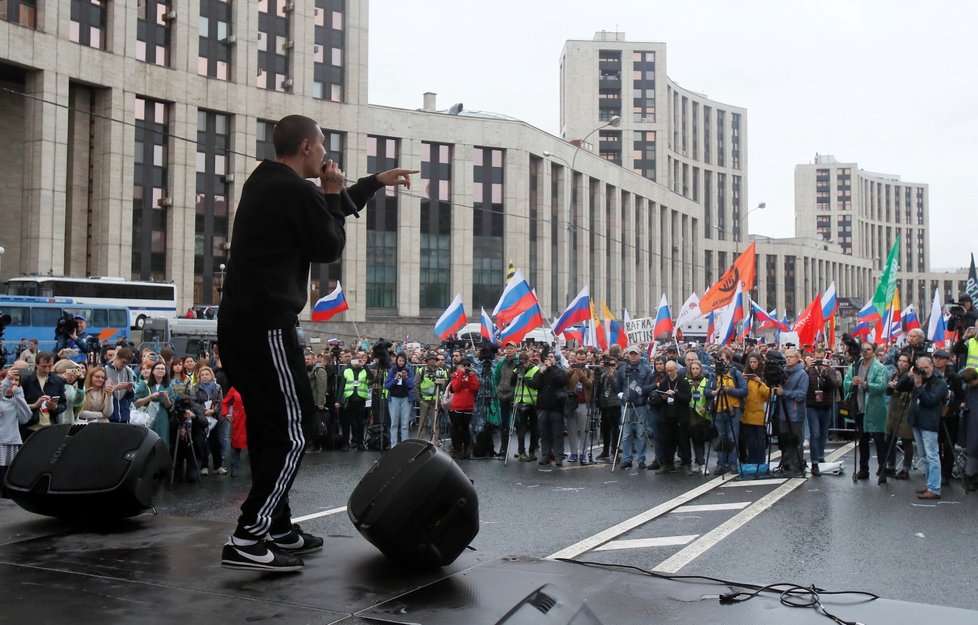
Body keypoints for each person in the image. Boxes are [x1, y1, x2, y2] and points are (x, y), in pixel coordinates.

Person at [218, 114, 416, 572]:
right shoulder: (289, 189)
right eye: (323, 145)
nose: (327, 154)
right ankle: (250, 535)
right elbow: (327, 243)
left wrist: (372, 183)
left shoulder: (267, 183)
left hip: (244, 325)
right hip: (265, 326)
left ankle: (277, 525)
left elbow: (329, 210)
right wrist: (332, 192)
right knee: (294, 428)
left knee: (273, 428)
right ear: (306, 146)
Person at [898, 356, 948, 499]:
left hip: (929, 423)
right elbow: (900, 387)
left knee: (932, 456)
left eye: (926, 367)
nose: (924, 371)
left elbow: (929, 401)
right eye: (921, 368)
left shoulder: (940, 382)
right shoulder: (917, 377)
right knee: (924, 455)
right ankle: (930, 483)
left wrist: (919, 386)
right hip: (916, 421)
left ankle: (935, 489)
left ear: (932, 366)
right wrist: (909, 374)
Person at [844, 342, 890, 480]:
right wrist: (852, 383)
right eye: (863, 349)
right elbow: (845, 382)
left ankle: (882, 469)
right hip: (859, 407)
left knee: (879, 440)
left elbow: (882, 386)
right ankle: (863, 469)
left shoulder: (880, 368)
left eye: (868, 349)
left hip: (875, 408)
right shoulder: (855, 366)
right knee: (862, 441)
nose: (865, 352)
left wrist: (866, 384)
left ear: (874, 352)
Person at [527, 350, 568, 467]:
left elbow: (563, 381)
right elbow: (534, 384)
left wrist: (551, 368)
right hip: (543, 406)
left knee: (557, 433)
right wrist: (541, 372)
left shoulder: (559, 370)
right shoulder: (541, 371)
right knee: (544, 433)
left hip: (556, 406)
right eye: (547, 358)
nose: (549, 359)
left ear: (554, 359)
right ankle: (545, 455)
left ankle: (558, 456)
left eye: (551, 357)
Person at [616, 346, 652, 470]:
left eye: (635, 354)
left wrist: (640, 393)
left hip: (640, 405)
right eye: (631, 354)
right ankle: (627, 458)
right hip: (626, 405)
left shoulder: (646, 370)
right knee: (626, 433)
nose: (633, 356)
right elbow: (618, 386)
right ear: (628, 355)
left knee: (641, 433)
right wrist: (621, 394)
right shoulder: (622, 369)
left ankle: (641, 459)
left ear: (639, 354)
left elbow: (648, 386)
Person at [653, 361, 692, 473]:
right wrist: (663, 397)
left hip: (681, 417)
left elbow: (687, 398)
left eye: (671, 370)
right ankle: (667, 464)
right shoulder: (664, 382)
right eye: (667, 371)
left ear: (676, 370)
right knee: (667, 442)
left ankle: (686, 463)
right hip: (668, 416)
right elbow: (659, 399)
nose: (669, 373)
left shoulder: (683, 382)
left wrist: (676, 394)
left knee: (683, 442)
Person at [20, 351, 67, 441]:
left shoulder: (58, 381)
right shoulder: (25, 379)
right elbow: (18, 404)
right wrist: (34, 405)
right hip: (29, 429)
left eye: (50, 366)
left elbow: (64, 404)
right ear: (37, 364)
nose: (47, 369)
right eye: (44, 366)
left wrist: (55, 407)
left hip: (50, 428)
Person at [884, 353, 915, 480]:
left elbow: (906, 388)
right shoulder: (894, 374)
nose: (902, 363)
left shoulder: (911, 376)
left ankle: (905, 469)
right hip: (894, 409)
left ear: (909, 364)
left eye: (905, 361)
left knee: (907, 440)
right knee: (890, 439)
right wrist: (889, 385)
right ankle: (891, 466)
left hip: (906, 408)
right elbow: (888, 392)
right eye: (900, 361)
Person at [1, 368, 33, 489]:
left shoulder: (17, 399)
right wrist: (7, 381)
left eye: (16, 380)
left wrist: (19, 395)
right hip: (0, 442)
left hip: (13, 442)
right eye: (11, 379)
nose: (13, 382)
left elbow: (25, 418)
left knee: (8, 478)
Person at [134, 361, 173, 448]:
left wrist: (166, 398)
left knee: (162, 439)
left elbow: (169, 406)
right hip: (147, 414)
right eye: (158, 368)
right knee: (148, 440)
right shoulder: (144, 384)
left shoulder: (168, 386)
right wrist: (150, 397)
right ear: (153, 371)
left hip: (163, 415)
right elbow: (136, 402)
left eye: (162, 369)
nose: (160, 370)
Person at [741, 353, 770, 466]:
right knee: (750, 440)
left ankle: (760, 461)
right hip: (747, 413)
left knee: (760, 440)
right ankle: (751, 460)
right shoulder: (745, 376)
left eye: (755, 362)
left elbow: (768, 395)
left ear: (759, 363)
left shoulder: (763, 376)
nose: (752, 364)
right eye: (751, 362)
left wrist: (760, 382)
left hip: (760, 413)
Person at [448, 357, 479, 459]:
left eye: (468, 365)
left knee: (465, 428)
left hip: (468, 406)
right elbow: (456, 388)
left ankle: (467, 448)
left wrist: (471, 376)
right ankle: (456, 447)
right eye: (464, 365)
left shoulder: (472, 375)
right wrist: (461, 373)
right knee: (456, 427)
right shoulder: (456, 374)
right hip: (457, 406)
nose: (466, 367)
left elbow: (475, 388)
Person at [384, 353, 415, 447]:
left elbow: (411, 385)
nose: (401, 363)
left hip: (406, 399)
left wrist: (405, 378)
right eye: (399, 360)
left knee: (405, 424)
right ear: (396, 361)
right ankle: (394, 445)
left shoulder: (409, 371)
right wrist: (395, 379)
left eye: (403, 361)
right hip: (394, 399)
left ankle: (404, 446)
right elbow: (387, 385)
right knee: (394, 423)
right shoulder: (392, 370)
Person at [959, 367, 978, 492]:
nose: (970, 385)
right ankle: (971, 477)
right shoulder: (967, 388)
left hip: (973, 422)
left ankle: (971, 477)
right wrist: (963, 405)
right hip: (972, 422)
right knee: (973, 450)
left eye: (971, 382)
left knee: (973, 450)